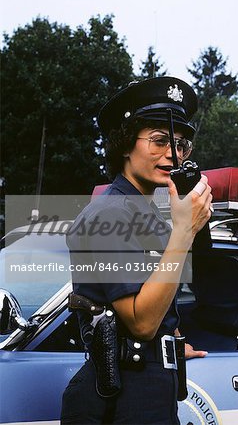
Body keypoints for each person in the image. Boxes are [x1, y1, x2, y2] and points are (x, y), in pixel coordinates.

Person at [60, 76, 212, 424]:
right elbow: (141, 323)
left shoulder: (146, 214)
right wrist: (184, 231)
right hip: (119, 397)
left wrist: (169, 343)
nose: (172, 154)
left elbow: (155, 311)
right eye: (159, 141)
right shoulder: (111, 213)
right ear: (126, 145)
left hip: (145, 384)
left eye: (181, 144)